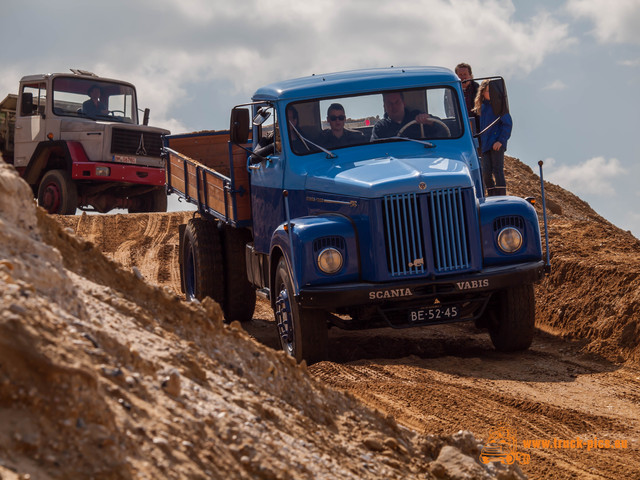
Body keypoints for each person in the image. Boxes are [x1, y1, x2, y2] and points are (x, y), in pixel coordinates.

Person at [473, 80, 513, 196]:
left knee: (497, 170)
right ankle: (491, 194)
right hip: (485, 144)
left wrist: (501, 141)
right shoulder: (482, 108)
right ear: (482, 93)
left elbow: (507, 124)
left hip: (496, 144)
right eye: (487, 91)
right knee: (486, 172)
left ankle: (501, 194)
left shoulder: (499, 106)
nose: (489, 93)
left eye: (491, 91)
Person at [371, 92, 448, 140]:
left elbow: (443, 131)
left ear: (403, 103)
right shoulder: (380, 127)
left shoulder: (417, 116)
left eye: (397, 102)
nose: (394, 106)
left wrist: (429, 121)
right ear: (384, 106)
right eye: (389, 103)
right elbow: (374, 149)